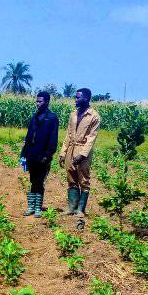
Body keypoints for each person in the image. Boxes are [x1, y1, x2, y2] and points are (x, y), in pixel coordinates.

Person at [59, 87, 100, 218]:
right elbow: (68, 135)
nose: (75, 99)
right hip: (71, 148)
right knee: (71, 178)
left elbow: (91, 138)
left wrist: (82, 155)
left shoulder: (94, 116)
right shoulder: (73, 114)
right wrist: (63, 152)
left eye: (78, 97)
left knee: (83, 180)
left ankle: (80, 210)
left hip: (83, 151)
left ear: (86, 98)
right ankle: (72, 207)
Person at [18, 90, 59, 218]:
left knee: (39, 181)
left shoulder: (52, 118)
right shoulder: (35, 117)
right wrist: (23, 153)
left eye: (40, 101)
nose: (37, 103)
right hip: (32, 154)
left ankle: (37, 208)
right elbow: (29, 135)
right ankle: (31, 206)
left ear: (47, 102)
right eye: (37, 101)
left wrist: (48, 154)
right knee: (32, 181)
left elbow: (53, 138)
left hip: (43, 156)